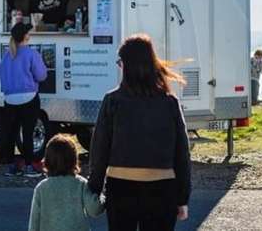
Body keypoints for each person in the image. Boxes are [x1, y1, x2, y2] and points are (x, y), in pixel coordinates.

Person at [88, 34, 191, 231]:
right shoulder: (169, 102)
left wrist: (93, 189)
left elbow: (99, 150)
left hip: (120, 187)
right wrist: (182, 198)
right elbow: (182, 153)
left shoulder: (112, 101)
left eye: (120, 63)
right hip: (162, 189)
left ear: (126, 65)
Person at [0, 23, 47, 177]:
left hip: (9, 98)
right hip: (29, 98)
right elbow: (41, 76)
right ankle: (28, 166)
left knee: (11, 133)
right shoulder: (32, 54)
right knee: (27, 133)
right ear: (26, 36)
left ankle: (12, 166)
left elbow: (2, 75)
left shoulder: (6, 55)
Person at [29, 134, 104, 231]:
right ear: (74, 160)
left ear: (47, 161)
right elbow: (94, 210)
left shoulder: (41, 188)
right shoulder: (80, 184)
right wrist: (103, 195)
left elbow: (34, 224)